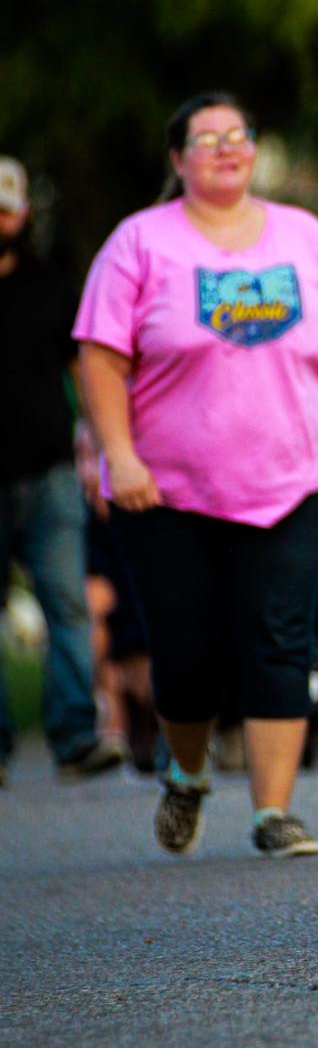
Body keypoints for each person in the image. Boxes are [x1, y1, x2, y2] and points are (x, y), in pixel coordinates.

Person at [75, 94, 318, 859]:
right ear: (177, 158)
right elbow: (100, 356)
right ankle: (186, 774)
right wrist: (120, 454)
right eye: (205, 138)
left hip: (298, 479)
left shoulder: (304, 237)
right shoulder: (138, 244)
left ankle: (273, 811)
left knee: (280, 638)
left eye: (238, 135)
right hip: (169, 489)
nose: (225, 148)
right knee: (187, 657)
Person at [0, 156, 125, 784]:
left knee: (69, 603)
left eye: (6, 207)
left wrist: (106, 455)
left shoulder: (53, 285)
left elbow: (88, 375)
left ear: (22, 213)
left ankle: (77, 736)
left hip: (49, 472)